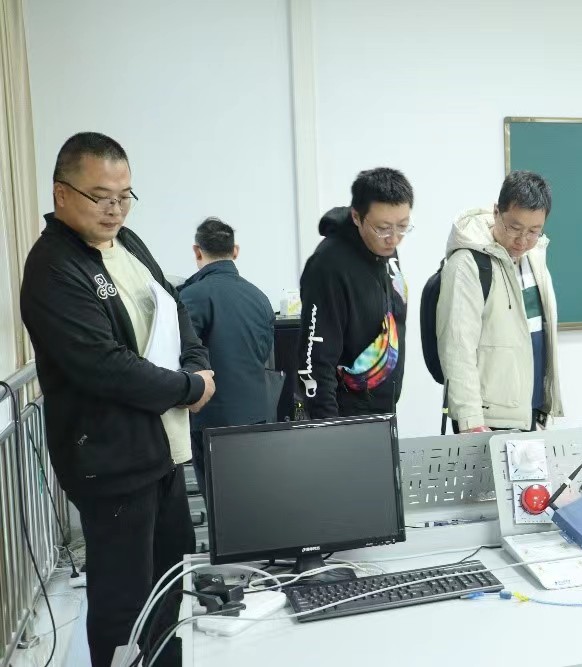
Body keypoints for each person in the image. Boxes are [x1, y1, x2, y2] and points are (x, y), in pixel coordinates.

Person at [20, 132, 215, 667]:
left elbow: (174, 307)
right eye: (101, 196)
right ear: (62, 194)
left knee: (170, 583)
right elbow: (105, 366)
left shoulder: (127, 243)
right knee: (123, 602)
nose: (115, 209)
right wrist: (188, 388)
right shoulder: (53, 268)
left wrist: (196, 364)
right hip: (111, 462)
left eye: (125, 196)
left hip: (163, 452)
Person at [436, 170, 562, 432]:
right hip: (487, 420)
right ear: (496, 212)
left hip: (529, 412)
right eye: (514, 228)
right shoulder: (468, 264)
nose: (522, 240)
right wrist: (470, 420)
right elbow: (457, 348)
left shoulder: (535, 258)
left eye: (534, 231)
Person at [298, 168, 413, 418]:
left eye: (403, 227)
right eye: (383, 228)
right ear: (357, 217)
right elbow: (316, 360)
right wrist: (330, 429)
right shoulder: (328, 266)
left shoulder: (385, 251)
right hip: (346, 416)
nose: (394, 238)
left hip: (383, 411)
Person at [178, 217, 275, 497]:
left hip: (211, 419)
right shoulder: (259, 297)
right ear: (235, 251)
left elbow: (184, 355)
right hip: (257, 415)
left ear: (197, 251)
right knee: (254, 498)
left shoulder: (191, 296)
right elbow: (263, 353)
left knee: (218, 501)